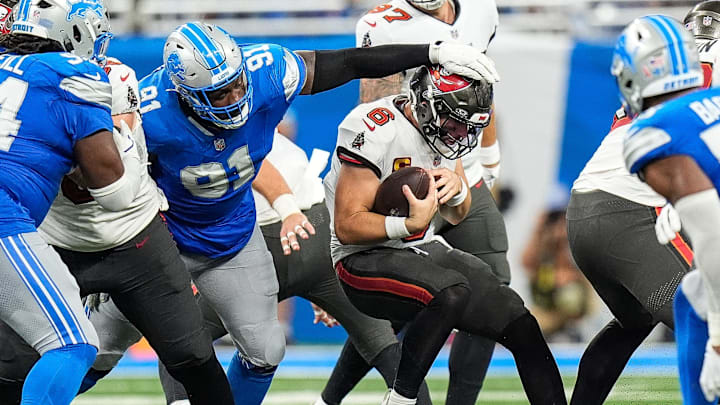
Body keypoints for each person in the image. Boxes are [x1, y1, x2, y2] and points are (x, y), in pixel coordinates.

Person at [136, 20, 500, 405]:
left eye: (238, 82)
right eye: (220, 92)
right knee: (143, 341)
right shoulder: (148, 115)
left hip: (269, 236)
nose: (235, 97)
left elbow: (346, 63)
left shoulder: (266, 78)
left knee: (246, 348)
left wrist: (430, 52)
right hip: (206, 236)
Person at [80, 132, 436, 405]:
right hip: (319, 234)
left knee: (185, 339)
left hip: (262, 236)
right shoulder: (254, 113)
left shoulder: (182, 127)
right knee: (385, 348)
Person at [0, 57, 238, 404]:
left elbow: (115, 184)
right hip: (57, 242)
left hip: (134, 237)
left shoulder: (110, 76)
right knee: (11, 367)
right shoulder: (28, 83)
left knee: (193, 355)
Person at [325, 65, 566, 405]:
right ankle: (401, 399)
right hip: (360, 259)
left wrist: (455, 192)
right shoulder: (375, 128)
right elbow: (347, 227)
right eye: (455, 122)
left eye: (469, 126)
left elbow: (457, 212)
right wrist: (406, 225)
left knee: (521, 323)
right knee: (451, 293)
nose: (461, 133)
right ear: (426, 104)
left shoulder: (450, 131)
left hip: (417, 248)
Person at [317, 1, 509, 403]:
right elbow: (372, 111)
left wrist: (489, 161)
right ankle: (331, 398)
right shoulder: (382, 25)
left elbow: (482, 94)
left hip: (460, 172)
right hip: (407, 177)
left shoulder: (480, 10)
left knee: (491, 285)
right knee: (402, 302)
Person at [0, 0, 137, 403]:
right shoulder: (76, 75)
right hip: (5, 215)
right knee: (72, 344)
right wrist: (124, 137)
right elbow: (115, 193)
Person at [615, 13, 720, 405]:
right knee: (692, 295)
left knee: (700, 300)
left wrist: (718, 345)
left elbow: (713, 235)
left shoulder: (652, 132)